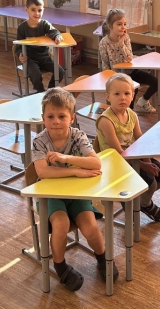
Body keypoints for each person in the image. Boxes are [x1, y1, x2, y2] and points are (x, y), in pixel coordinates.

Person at [32, 88, 118, 291]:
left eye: (61, 116)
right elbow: (43, 172)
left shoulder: (77, 135)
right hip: (50, 195)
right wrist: (76, 171)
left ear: (71, 118)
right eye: (50, 117)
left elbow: (96, 163)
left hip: (76, 194)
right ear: (43, 119)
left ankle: (102, 258)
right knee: (60, 224)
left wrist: (66, 158)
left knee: (90, 227)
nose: (56, 121)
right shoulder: (40, 141)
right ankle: (60, 266)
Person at [96, 73, 160, 222]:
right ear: (108, 97)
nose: (122, 98)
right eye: (117, 94)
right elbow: (118, 153)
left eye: (126, 93)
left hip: (132, 157)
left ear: (133, 96)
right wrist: (143, 165)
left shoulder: (131, 114)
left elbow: (141, 141)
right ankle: (145, 204)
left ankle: (139, 202)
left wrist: (147, 161)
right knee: (150, 183)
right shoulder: (106, 120)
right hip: (115, 163)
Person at [98, 9, 157, 114]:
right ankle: (127, 114)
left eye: (125, 24)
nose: (123, 27)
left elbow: (129, 58)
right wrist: (111, 81)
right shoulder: (104, 43)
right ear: (110, 26)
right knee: (131, 92)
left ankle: (143, 101)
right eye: (119, 24)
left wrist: (121, 44)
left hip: (131, 72)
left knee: (155, 82)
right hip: (116, 76)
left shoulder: (125, 38)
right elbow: (105, 65)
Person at [15, 0, 65, 93]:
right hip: (30, 59)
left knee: (60, 71)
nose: (37, 13)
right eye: (33, 10)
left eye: (40, 10)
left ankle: (50, 91)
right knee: (35, 73)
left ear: (43, 10)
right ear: (26, 9)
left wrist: (57, 36)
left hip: (44, 57)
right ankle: (40, 91)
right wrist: (20, 55)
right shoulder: (22, 28)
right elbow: (18, 46)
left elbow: (54, 31)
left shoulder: (44, 24)